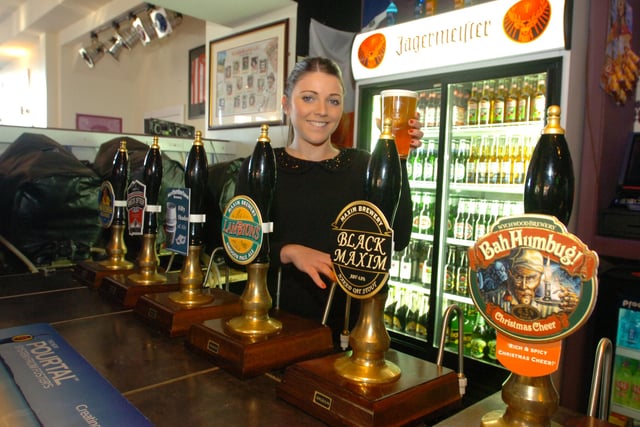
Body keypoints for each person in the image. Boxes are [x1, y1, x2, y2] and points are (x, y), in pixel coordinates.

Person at [236, 56, 422, 343]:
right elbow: (236, 245)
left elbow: (399, 237)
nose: (322, 111)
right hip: (268, 325)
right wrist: (289, 251)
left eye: (333, 101)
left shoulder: (362, 165)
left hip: (345, 333)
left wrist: (398, 159)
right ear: (286, 104)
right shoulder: (261, 164)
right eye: (309, 98)